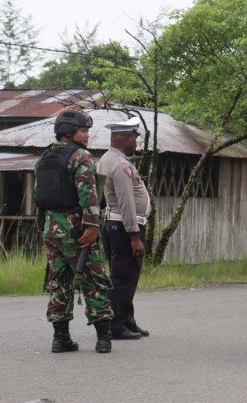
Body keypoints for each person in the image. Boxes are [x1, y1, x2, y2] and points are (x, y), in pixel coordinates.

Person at [35, 110, 113, 354]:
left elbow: (39, 197)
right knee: (94, 281)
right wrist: (92, 226)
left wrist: (44, 227)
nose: (87, 135)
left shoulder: (45, 157)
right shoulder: (81, 156)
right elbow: (88, 194)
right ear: (69, 132)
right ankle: (104, 339)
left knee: (59, 282)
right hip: (77, 230)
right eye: (83, 131)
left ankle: (61, 340)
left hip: (51, 230)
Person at [97, 117, 150, 340]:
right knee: (123, 278)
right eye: (135, 138)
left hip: (115, 225)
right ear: (127, 137)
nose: (136, 142)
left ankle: (128, 321)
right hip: (125, 227)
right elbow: (126, 202)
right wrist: (134, 236)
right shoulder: (120, 165)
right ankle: (116, 325)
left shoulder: (105, 159)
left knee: (126, 276)